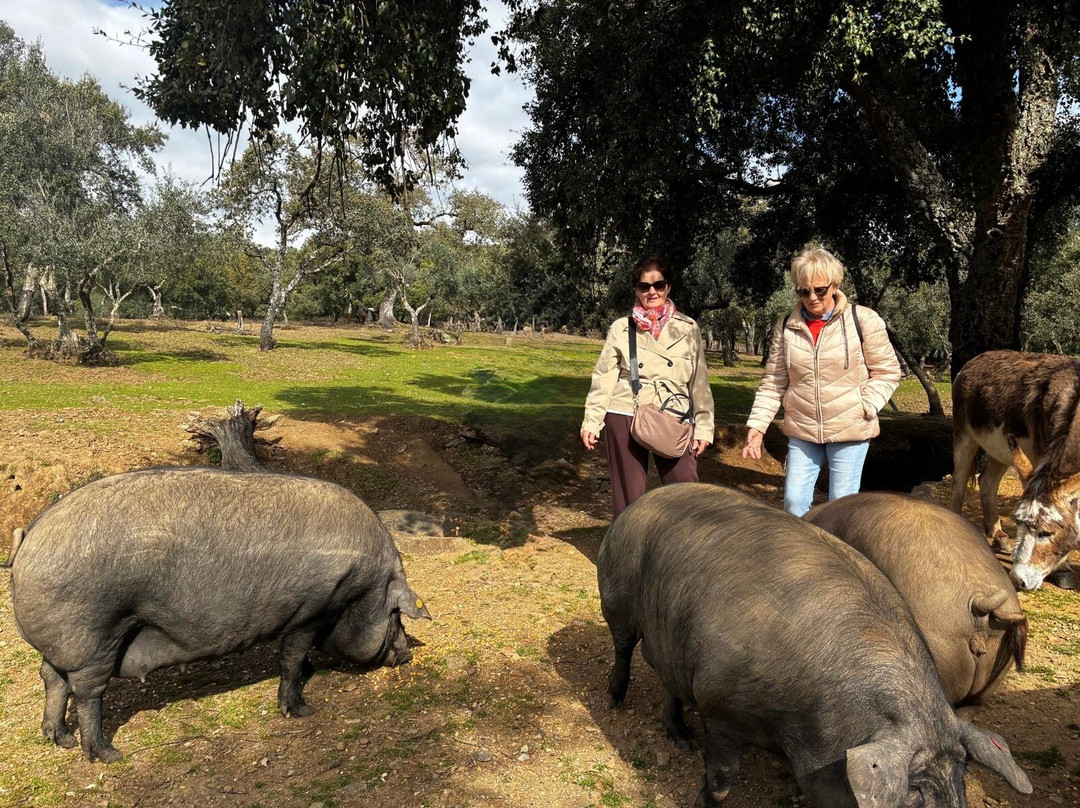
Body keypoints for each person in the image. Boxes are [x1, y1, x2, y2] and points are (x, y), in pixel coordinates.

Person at [741, 246, 901, 516]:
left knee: (841, 509)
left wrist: (866, 405)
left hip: (850, 428)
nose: (812, 297)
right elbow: (773, 381)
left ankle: (839, 557)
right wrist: (757, 425)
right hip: (803, 429)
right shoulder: (786, 326)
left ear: (835, 285)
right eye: (803, 291)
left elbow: (887, 371)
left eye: (820, 290)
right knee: (793, 504)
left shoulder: (862, 320)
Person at [581, 256, 715, 517]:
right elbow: (603, 377)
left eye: (658, 285)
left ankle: (686, 552)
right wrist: (591, 421)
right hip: (625, 412)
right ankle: (626, 553)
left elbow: (700, 381)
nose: (652, 292)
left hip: (673, 415)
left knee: (686, 491)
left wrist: (705, 428)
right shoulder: (621, 328)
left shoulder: (688, 328)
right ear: (636, 290)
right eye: (644, 286)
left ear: (668, 287)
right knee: (628, 498)